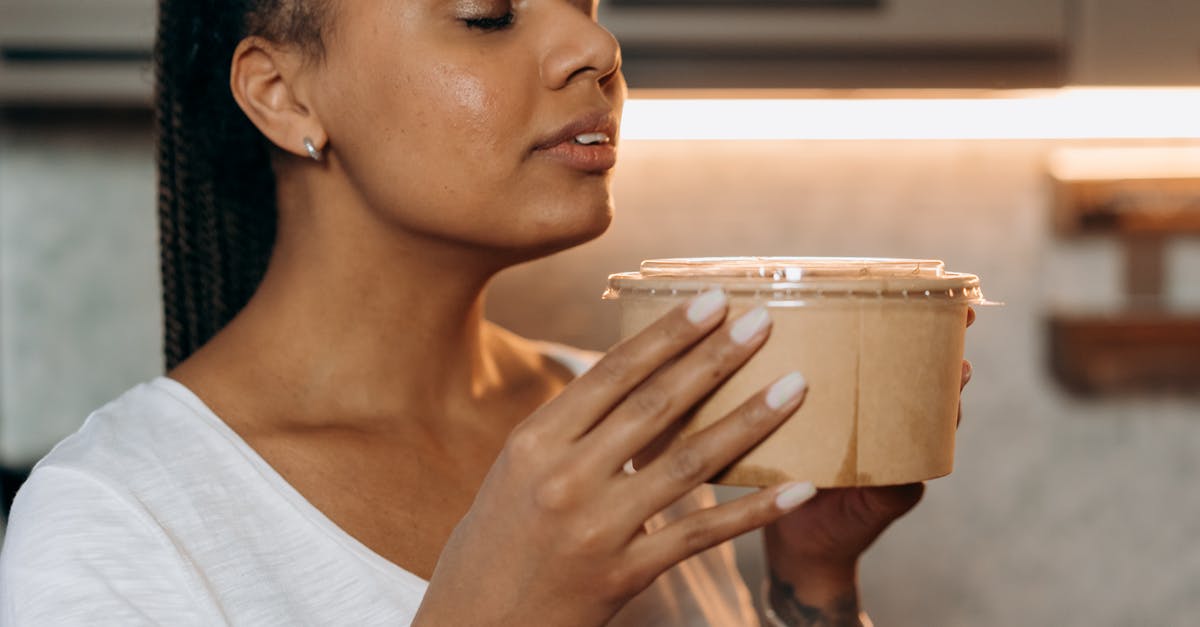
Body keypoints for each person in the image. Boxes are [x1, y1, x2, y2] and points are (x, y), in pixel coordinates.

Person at [0, 1, 970, 625]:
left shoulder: (618, 420)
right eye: (487, 14)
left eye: (584, 5)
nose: (596, 48)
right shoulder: (115, 517)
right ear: (282, 92)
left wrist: (812, 585)